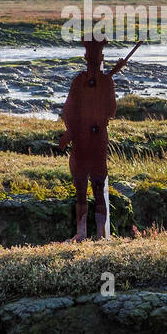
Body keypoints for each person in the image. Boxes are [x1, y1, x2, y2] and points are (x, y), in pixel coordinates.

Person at [58, 35, 127, 241]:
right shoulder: (85, 81)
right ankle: (84, 233)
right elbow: (69, 109)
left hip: (94, 141)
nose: (92, 62)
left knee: (95, 186)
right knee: (82, 187)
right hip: (82, 141)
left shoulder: (104, 82)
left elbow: (110, 111)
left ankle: (98, 234)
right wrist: (72, 131)